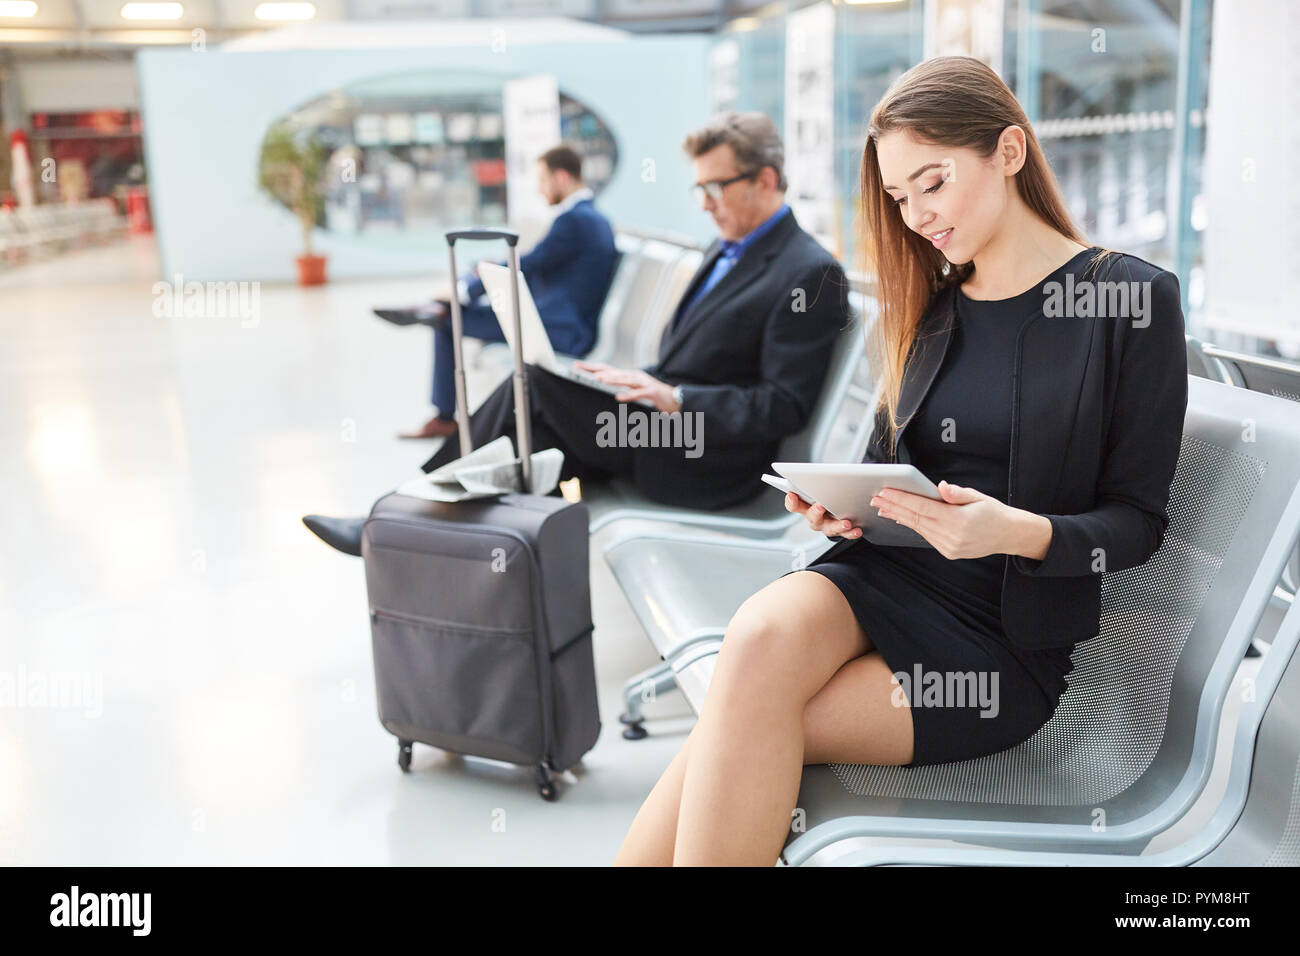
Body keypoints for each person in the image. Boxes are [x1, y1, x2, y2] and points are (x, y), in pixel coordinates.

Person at [614, 55, 1188, 866]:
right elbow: (891, 472)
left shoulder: (1126, 300)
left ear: (1010, 153)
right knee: (755, 647)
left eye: (934, 182)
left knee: (742, 722)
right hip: (884, 576)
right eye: (898, 196)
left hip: (999, 644)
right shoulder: (933, 305)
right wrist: (842, 510)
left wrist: (1013, 532)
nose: (916, 215)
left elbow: (1136, 525)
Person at [303, 112, 850, 555]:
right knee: (534, 431)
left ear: (767, 180)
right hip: (658, 427)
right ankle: (422, 540)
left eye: (716, 186)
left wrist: (676, 397)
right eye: (698, 187)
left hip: (706, 457)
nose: (705, 202)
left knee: (537, 391)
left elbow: (784, 406)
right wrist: (637, 380)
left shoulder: (809, 273)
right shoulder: (724, 249)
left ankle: (395, 519)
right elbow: (695, 361)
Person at [375, 144, 617, 439]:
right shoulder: (589, 218)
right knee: (462, 297)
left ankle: (443, 412)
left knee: (448, 321)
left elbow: (527, 263)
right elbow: (538, 264)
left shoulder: (576, 220)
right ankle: (437, 305)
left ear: (562, 178)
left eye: (542, 180)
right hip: (556, 318)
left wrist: (468, 290)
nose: (540, 190)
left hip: (559, 330)